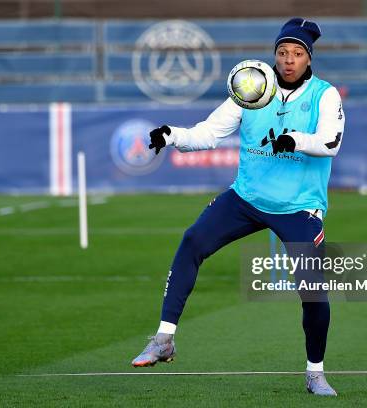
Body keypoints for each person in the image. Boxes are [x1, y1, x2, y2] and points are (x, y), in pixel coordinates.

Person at [131, 17, 344, 396]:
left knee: (312, 293)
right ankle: (165, 338)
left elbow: (331, 142)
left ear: (308, 59)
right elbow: (209, 132)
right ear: (274, 55)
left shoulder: (324, 95)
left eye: (297, 53)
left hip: (300, 209)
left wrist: (293, 140)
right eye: (283, 52)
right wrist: (172, 134)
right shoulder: (252, 87)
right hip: (246, 198)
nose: (289, 60)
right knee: (193, 241)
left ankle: (315, 373)